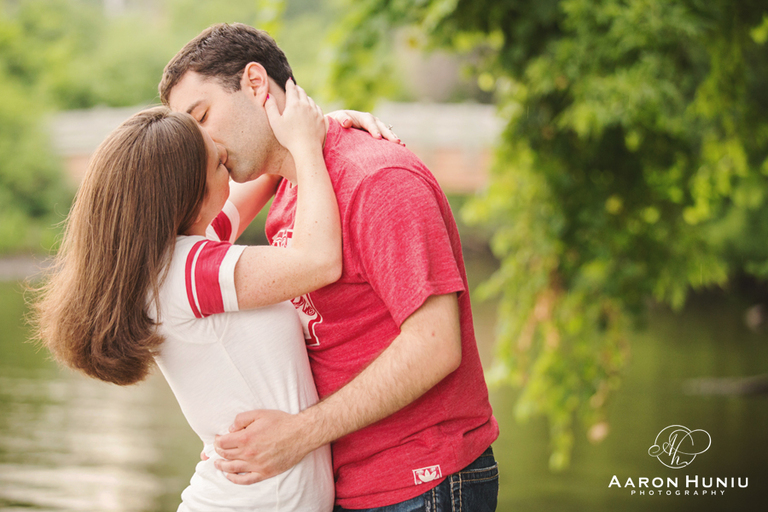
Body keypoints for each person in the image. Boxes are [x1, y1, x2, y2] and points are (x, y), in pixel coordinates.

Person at [160, 23, 500, 511]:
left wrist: (299, 434)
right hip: (348, 484)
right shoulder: (291, 188)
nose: (201, 146)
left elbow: (434, 346)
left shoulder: (377, 181)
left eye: (203, 116)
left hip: (421, 483)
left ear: (257, 85)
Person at [32, 81, 397, 511]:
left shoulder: (175, 258)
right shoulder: (191, 270)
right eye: (221, 165)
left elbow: (265, 174)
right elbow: (319, 261)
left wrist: (322, 127)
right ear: (192, 195)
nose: (232, 166)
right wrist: (308, 146)